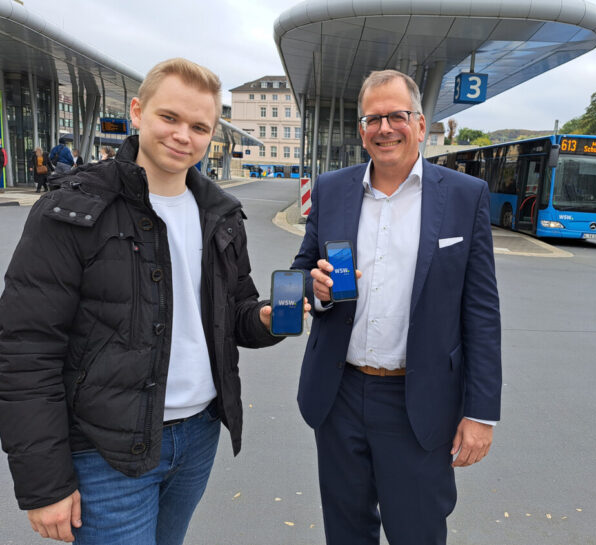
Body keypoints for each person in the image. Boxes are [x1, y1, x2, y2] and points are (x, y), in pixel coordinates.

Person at [0, 58, 307, 545]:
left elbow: (239, 311)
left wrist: (267, 319)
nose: (183, 135)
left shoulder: (221, 214)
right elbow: (24, 350)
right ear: (139, 112)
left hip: (198, 436)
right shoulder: (73, 207)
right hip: (106, 451)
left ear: (213, 137)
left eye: (199, 126)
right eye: (170, 118)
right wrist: (43, 484)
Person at [291, 69, 502, 545]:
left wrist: (481, 412)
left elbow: (482, 311)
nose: (385, 128)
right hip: (340, 392)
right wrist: (315, 288)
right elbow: (304, 268)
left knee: (417, 532)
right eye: (373, 118)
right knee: (346, 532)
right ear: (361, 129)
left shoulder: (465, 198)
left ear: (421, 125)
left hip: (420, 401)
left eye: (397, 116)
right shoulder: (331, 189)